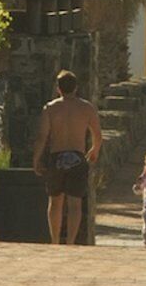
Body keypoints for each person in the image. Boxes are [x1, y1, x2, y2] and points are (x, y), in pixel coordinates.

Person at [36, 69, 102, 247]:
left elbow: (43, 136)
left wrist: (37, 159)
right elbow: (97, 133)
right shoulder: (86, 108)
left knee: (55, 201)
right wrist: (95, 149)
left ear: (58, 88)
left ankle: (55, 240)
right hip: (77, 156)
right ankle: (71, 241)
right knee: (75, 203)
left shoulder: (50, 108)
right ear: (76, 87)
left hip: (57, 156)